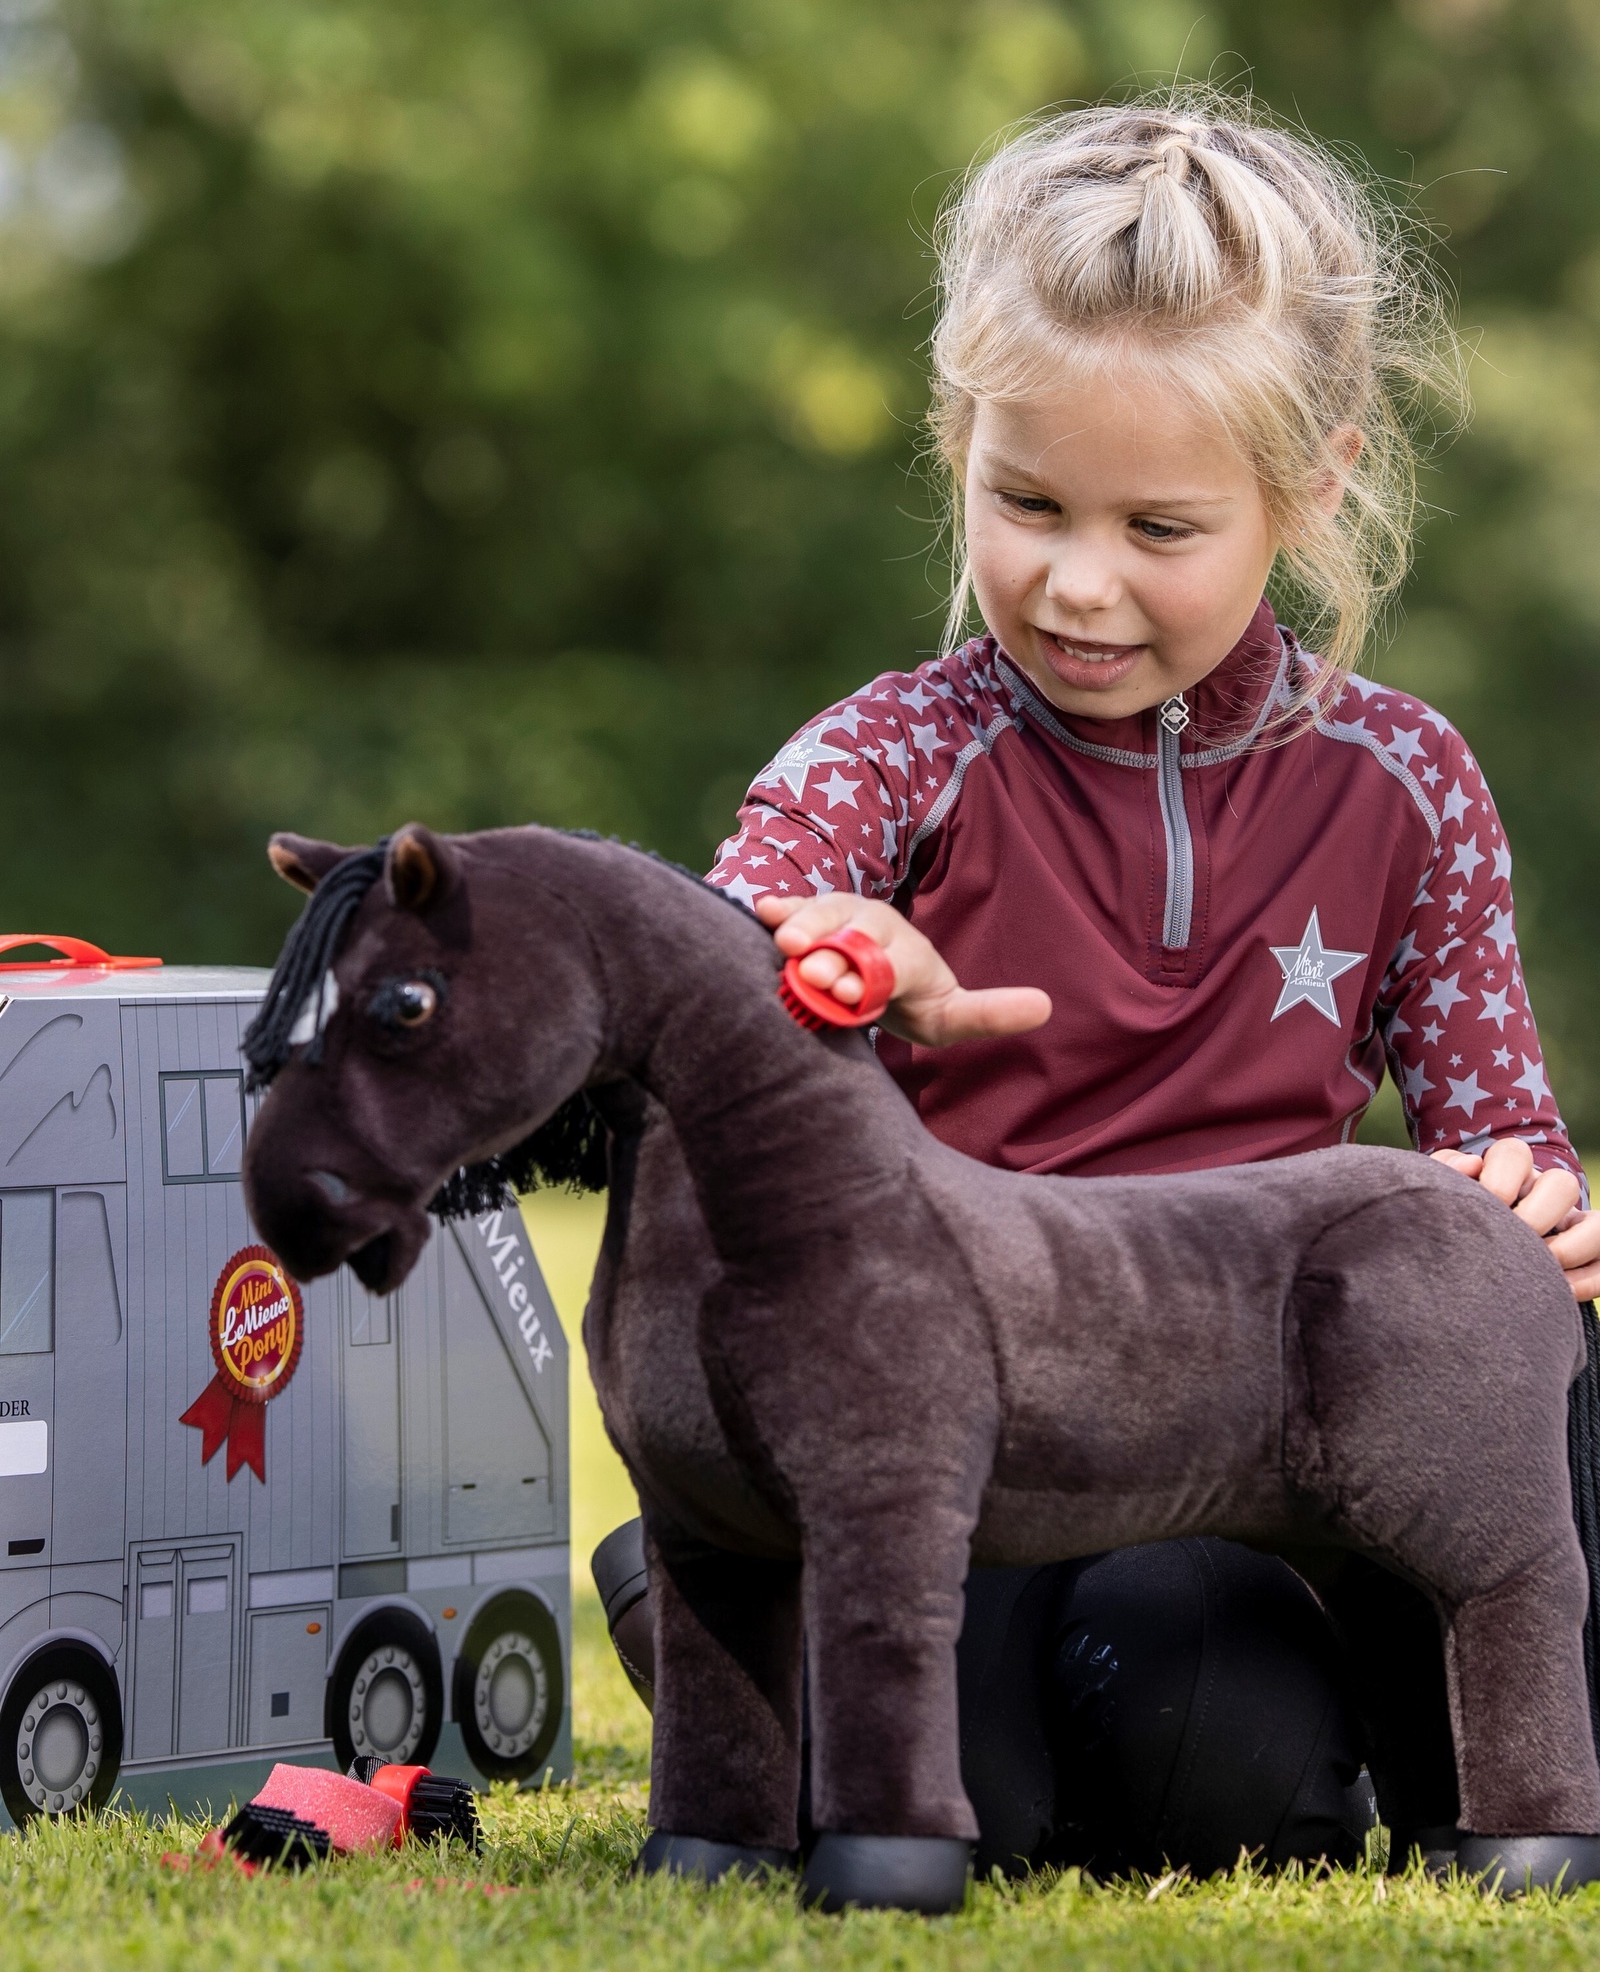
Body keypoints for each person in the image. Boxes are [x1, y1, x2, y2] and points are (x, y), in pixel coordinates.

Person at [594, 93, 1600, 1880]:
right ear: (956, 445)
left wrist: (1535, 1203)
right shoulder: (892, 751)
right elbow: (700, 979)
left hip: (1244, 1449)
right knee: (919, 1787)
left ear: (1312, 486)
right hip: (939, 1445)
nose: (1078, 584)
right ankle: (716, 1600)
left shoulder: (1410, 782)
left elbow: (1497, 1150)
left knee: (1200, 1764)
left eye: (1160, 526)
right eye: (1027, 501)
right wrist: (830, 968)